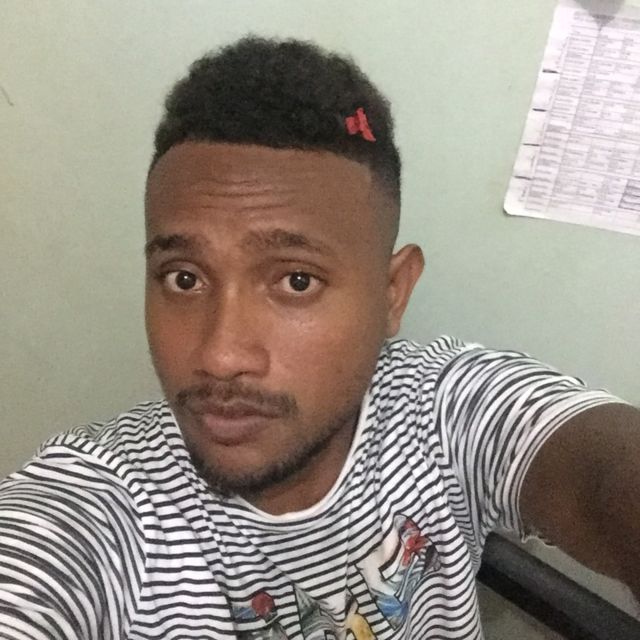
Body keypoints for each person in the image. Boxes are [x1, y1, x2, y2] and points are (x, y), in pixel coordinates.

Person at [0, 36, 638, 640]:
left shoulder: (445, 414)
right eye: (184, 278)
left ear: (392, 293)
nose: (220, 355)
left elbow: (602, 471)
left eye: (296, 281)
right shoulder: (103, 496)